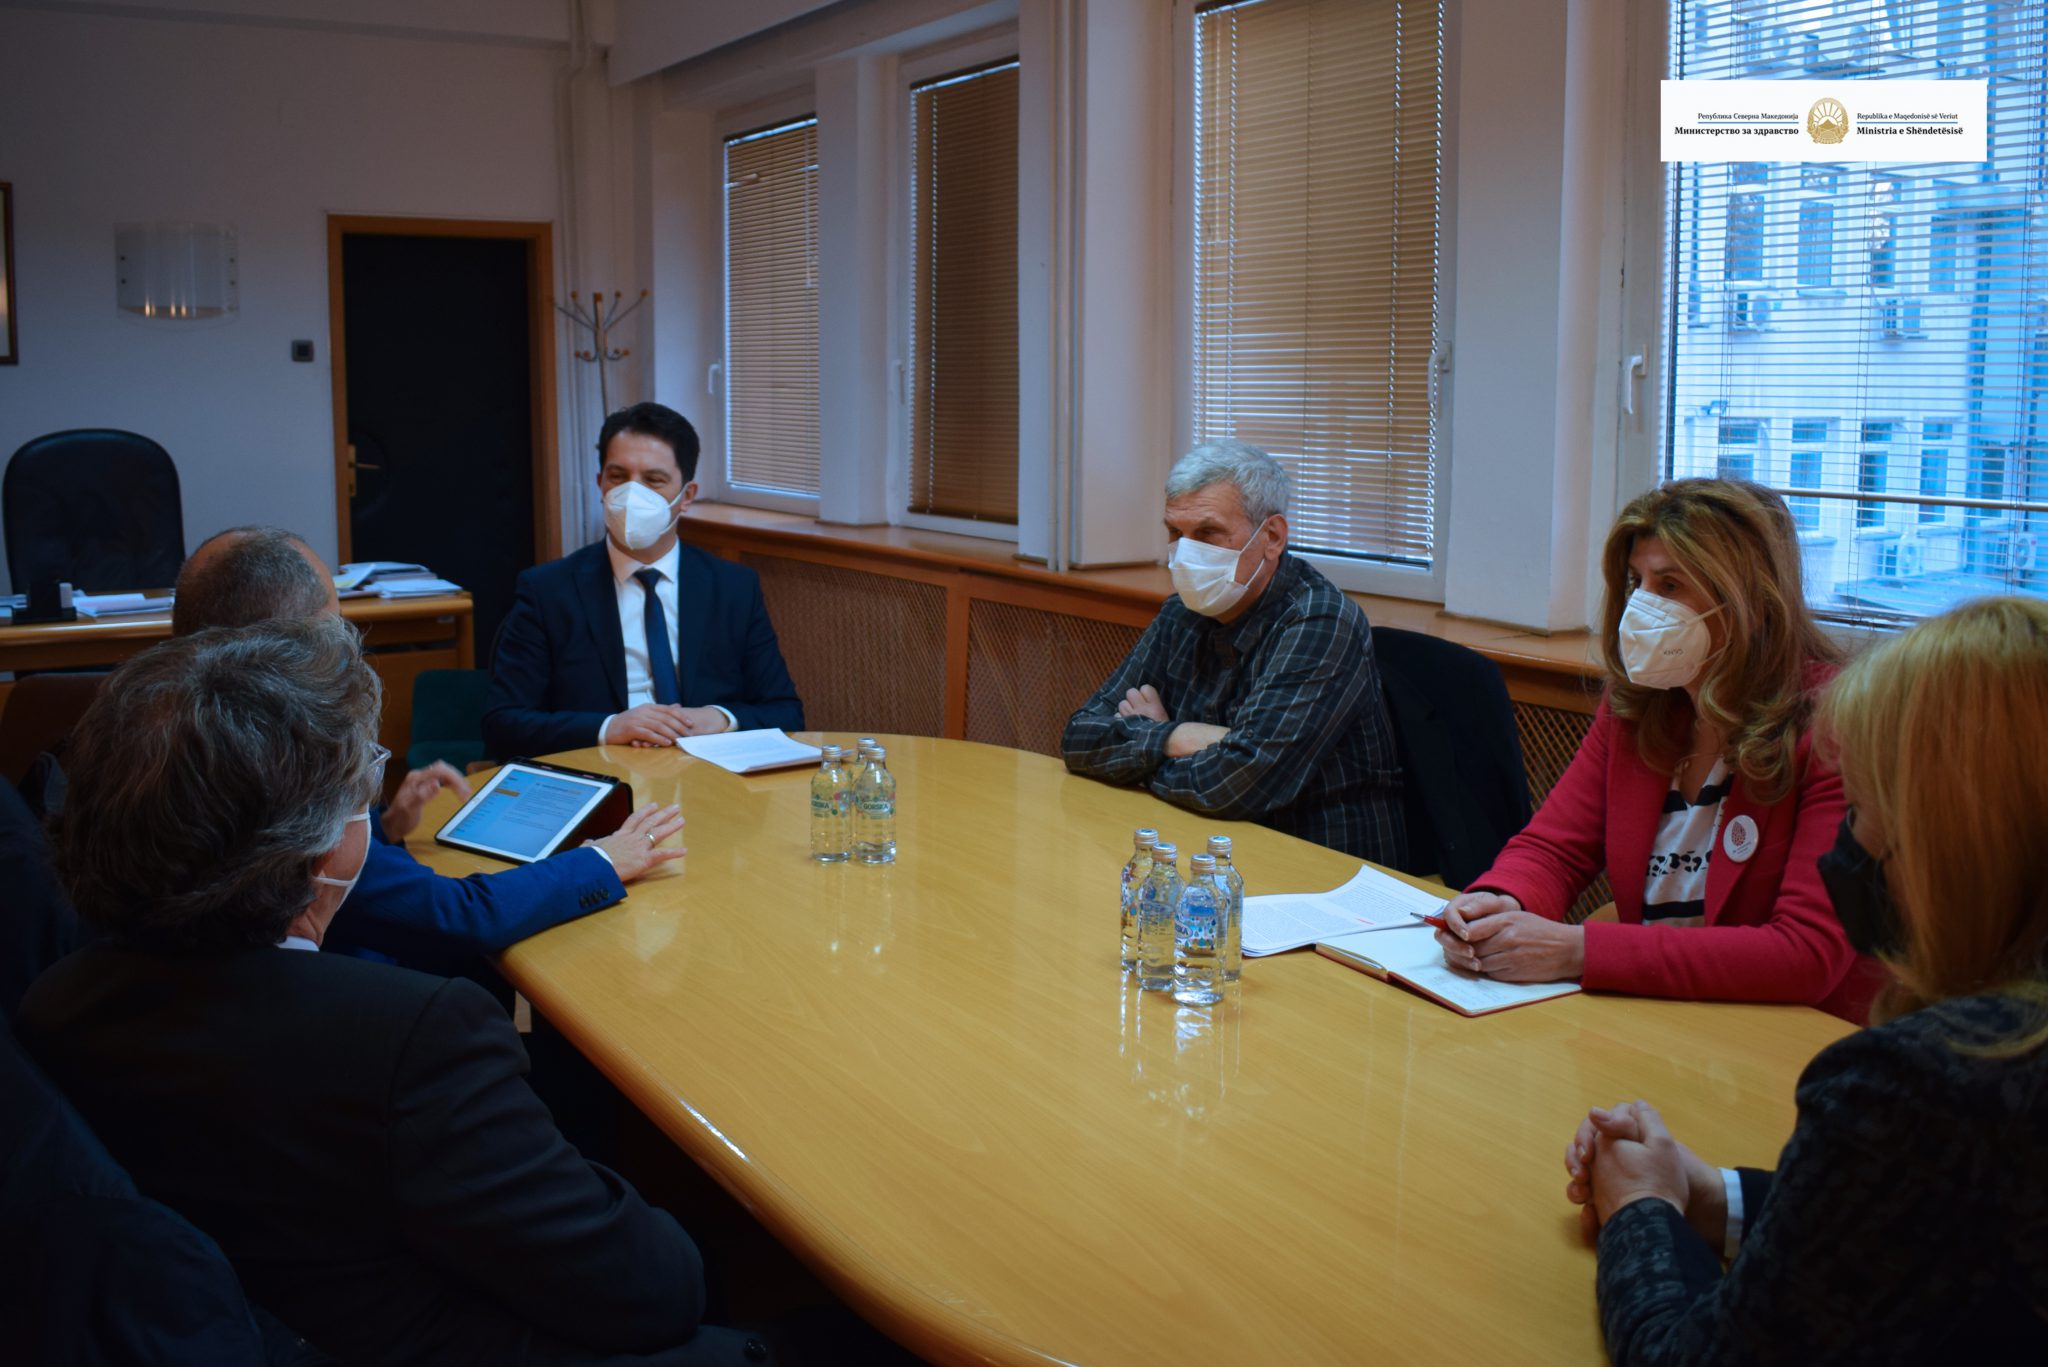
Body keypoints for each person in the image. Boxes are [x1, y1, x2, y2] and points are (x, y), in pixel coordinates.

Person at [16, 616, 771, 1366]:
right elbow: (653, 1289)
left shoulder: (54, 1001)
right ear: (320, 846)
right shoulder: (410, 1041)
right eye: (361, 787)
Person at [1565, 595, 2048, 1363]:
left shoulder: (1918, 1084)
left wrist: (1639, 1208)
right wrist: (1713, 1193)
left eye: (1859, 805)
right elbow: (1908, 1224)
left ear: (1946, 837)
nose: (1845, 839)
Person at [1433, 480, 1876, 1019]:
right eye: (1636, 581)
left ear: (1753, 601)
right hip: (1661, 1010)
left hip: (1785, 1030)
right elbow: (1554, 849)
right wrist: (1502, 900)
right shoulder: (1638, 707)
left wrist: (1580, 951)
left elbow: (1805, 954)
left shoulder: (1835, 724)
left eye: (1669, 585)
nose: (1642, 605)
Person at [173, 526, 684, 973]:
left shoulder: (169, 732)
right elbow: (462, 916)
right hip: (341, 998)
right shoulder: (279, 763)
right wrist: (601, 861)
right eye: (338, 622)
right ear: (299, 643)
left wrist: (386, 826)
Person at [1061, 441, 1405, 865]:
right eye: (1175, 533)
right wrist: (1177, 736)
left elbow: (1239, 785)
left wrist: (1144, 748)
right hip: (1207, 843)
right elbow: (1079, 737)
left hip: (1319, 862)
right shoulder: (1181, 612)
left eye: (1207, 534)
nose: (1186, 555)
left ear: (1272, 537)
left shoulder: (1320, 621)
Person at [484, 402, 803, 758]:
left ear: (687, 496)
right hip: (602, 769)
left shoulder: (732, 587)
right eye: (618, 477)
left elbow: (786, 712)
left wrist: (720, 718)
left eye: (653, 480)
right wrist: (608, 728)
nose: (632, 494)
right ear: (600, 484)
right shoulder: (548, 590)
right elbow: (503, 724)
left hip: (706, 771)